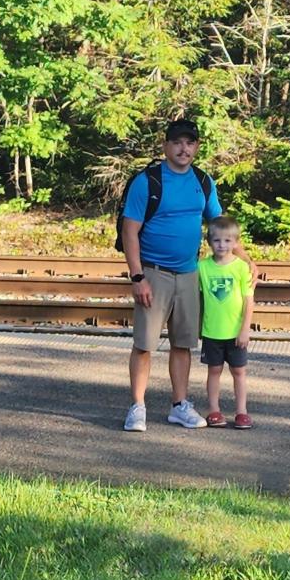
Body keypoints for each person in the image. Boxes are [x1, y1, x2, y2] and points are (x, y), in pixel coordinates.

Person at [120, 118, 222, 432]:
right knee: (145, 344)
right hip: (154, 273)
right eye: (177, 142)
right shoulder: (148, 181)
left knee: (183, 343)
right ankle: (137, 407)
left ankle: (179, 405)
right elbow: (130, 231)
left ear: (197, 147)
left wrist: (244, 260)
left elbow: (219, 225)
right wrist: (138, 277)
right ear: (166, 146)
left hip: (189, 274)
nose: (183, 148)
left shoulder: (203, 181)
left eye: (189, 143)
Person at [198, 215, 255, 429]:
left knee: (239, 371)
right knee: (214, 370)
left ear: (236, 242)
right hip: (212, 331)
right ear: (209, 242)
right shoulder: (202, 267)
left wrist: (245, 329)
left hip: (235, 332)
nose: (222, 245)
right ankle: (214, 410)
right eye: (217, 240)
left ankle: (241, 411)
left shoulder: (241, 268)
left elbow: (248, 301)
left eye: (227, 240)